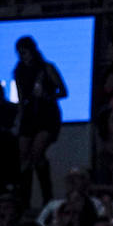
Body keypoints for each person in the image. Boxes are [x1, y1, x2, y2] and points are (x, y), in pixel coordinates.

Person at [13, 36, 67, 209]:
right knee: (24, 156)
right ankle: (25, 199)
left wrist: (47, 96)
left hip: (47, 114)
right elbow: (21, 97)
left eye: (25, 52)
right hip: (30, 114)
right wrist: (19, 118)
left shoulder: (46, 68)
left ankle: (47, 197)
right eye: (20, 53)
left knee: (37, 153)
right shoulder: (19, 71)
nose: (23, 56)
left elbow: (63, 91)